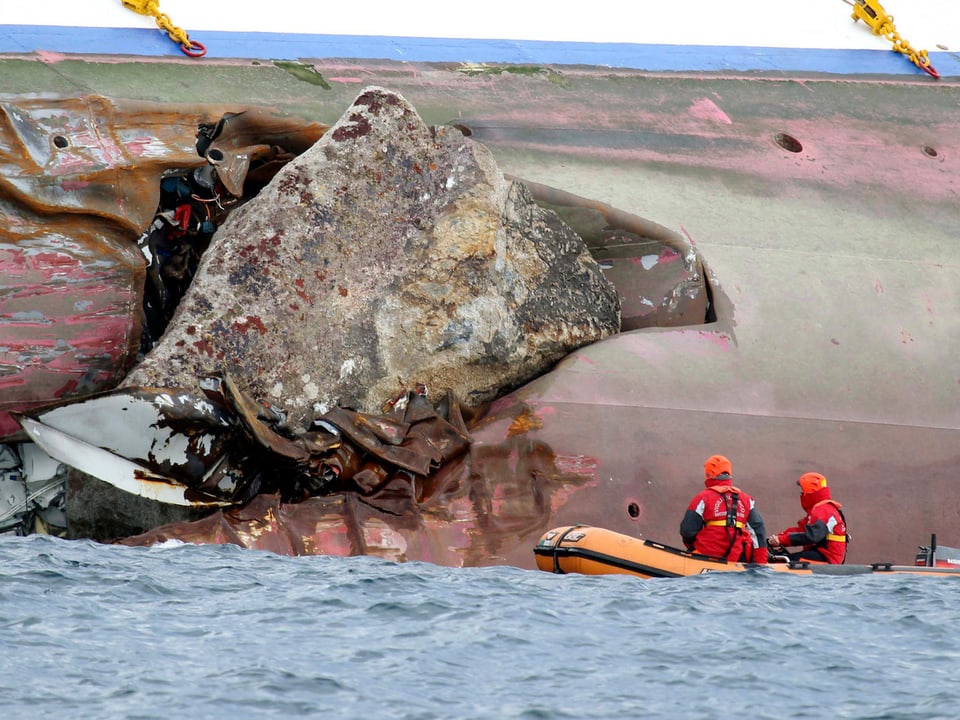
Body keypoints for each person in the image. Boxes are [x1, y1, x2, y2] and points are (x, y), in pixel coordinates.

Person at [680, 454, 768, 564]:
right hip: (736, 560)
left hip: (705, 557)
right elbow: (758, 531)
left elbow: (687, 531)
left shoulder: (702, 498)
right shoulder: (747, 500)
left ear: (708, 473)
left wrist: (693, 548)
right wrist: (761, 564)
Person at [767, 472, 848, 564]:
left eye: (803, 491)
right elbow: (801, 530)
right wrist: (778, 538)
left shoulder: (824, 511)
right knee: (782, 558)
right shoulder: (824, 509)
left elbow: (812, 536)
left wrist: (781, 540)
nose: (801, 495)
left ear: (809, 492)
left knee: (782, 561)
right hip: (822, 555)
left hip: (826, 558)